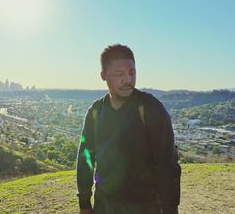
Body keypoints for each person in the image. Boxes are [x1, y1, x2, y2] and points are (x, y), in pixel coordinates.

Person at [76, 44, 181, 214]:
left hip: (144, 206)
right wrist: (85, 203)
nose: (128, 79)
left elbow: (167, 165)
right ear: (104, 76)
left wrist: (170, 209)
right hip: (104, 204)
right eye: (119, 74)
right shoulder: (96, 112)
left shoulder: (150, 109)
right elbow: (85, 159)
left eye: (132, 72)